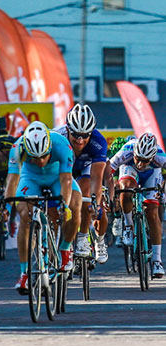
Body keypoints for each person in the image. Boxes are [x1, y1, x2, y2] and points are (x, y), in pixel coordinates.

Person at [1, 121, 82, 295]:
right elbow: (12, 180)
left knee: (75, 206)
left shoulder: (61, 144)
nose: (39, 161)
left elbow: (67, 179)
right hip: (30, 178)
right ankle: (25, 273)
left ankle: (65, 248)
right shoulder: (17, 147)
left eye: (43, 156)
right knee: (25, 215)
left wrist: (64, 205)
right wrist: (6, 207)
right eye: (34, 157)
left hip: (57, 177)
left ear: (49, 148)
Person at [55, 103, 109, 264]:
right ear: (68, 130)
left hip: (86, 168)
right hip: (65, 167)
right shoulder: (58, 137)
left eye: (85, 135)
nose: (80, 140)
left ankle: (83, 237)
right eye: (76, 135)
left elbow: (97, 177)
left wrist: (95, 202)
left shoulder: (99, 142)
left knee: (86, 196)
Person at [109, 133, 166, 278]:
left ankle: (157, 261)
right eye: (138, 159)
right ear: (134, 153)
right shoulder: (127, 150)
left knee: (152, 212)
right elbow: (108, 170)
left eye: (145, 160)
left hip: (152, 174)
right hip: (129, 169)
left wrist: (163, 193)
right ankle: (128, 226)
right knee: (126, 189)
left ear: (152, 157)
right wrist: (109, 189)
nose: (140, 164)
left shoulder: (161, 158)